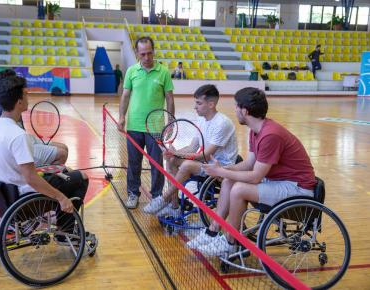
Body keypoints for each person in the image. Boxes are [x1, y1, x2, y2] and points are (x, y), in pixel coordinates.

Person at [187, 87, 316, 257]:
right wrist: (221, 170)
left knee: (239, 189)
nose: (235, 110)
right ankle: (212, 230)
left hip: (297, 188)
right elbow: (248, 164)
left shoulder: (270, 134)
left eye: (236, 107)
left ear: (245, 111)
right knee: (229, 181)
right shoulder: (255, 130)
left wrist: (222, 171)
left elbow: (255, 176)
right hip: (278, 182)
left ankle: (230, 242)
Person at [0, 75, 89, 237]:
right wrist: (61, 198)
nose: (28, 97)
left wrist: (50, 170)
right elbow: (31, 178)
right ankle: (65, 231)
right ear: (19, 102)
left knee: (63, 171)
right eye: (26, 94)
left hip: (5, 197)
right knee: (81, 177)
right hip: (23, 201)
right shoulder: (18, 135)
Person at [143, 84, 238, 217]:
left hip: (222, 168)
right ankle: (174, 206)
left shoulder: (222, 123)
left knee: (186, 165)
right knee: (171, 160)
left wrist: (177, 153)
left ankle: (163, 199)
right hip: (207, 163)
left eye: (199, 103)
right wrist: (173, 153)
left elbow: (205, 154)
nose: (195, 107)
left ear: (211, 104)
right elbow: (193, 147)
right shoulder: (201, 119)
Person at [117, 36, 175, 209]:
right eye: (143, 54)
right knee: (134, 163)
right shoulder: (131, 71)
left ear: (154, 51)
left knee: (156, 163)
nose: (147, 57)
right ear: (137, 54)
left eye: (150, 53)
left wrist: (171, 122)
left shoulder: (163, 72)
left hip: (156, 127)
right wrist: (121, 116)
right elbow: (125, 95)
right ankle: (133, 194)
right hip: (134, 125)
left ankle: (157, 197)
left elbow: (170, 99)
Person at [0, 69, 68, 166]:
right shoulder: (0, 110)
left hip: (22, 141)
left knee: (63, 147)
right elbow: (1, 143)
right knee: (62, 153)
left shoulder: (10, 105)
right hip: (15, 148)